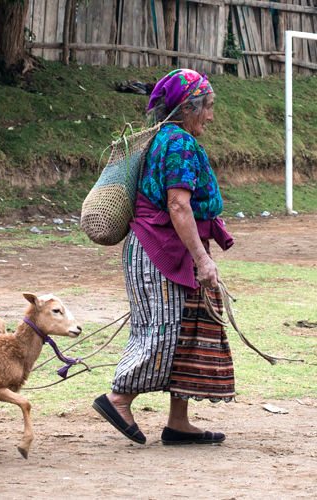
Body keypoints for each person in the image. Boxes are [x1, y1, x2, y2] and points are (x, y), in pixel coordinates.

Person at [93, 68, 235, 445]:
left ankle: (178, 421)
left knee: (191, 326)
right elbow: (178, 205)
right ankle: (119, 398)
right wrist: (203, 259)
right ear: (188, 108)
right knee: (165, 329)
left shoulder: (167, 139)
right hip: (161, 252)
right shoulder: (179, 144)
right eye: (207, 107)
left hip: (163, 250)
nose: (211, 115)